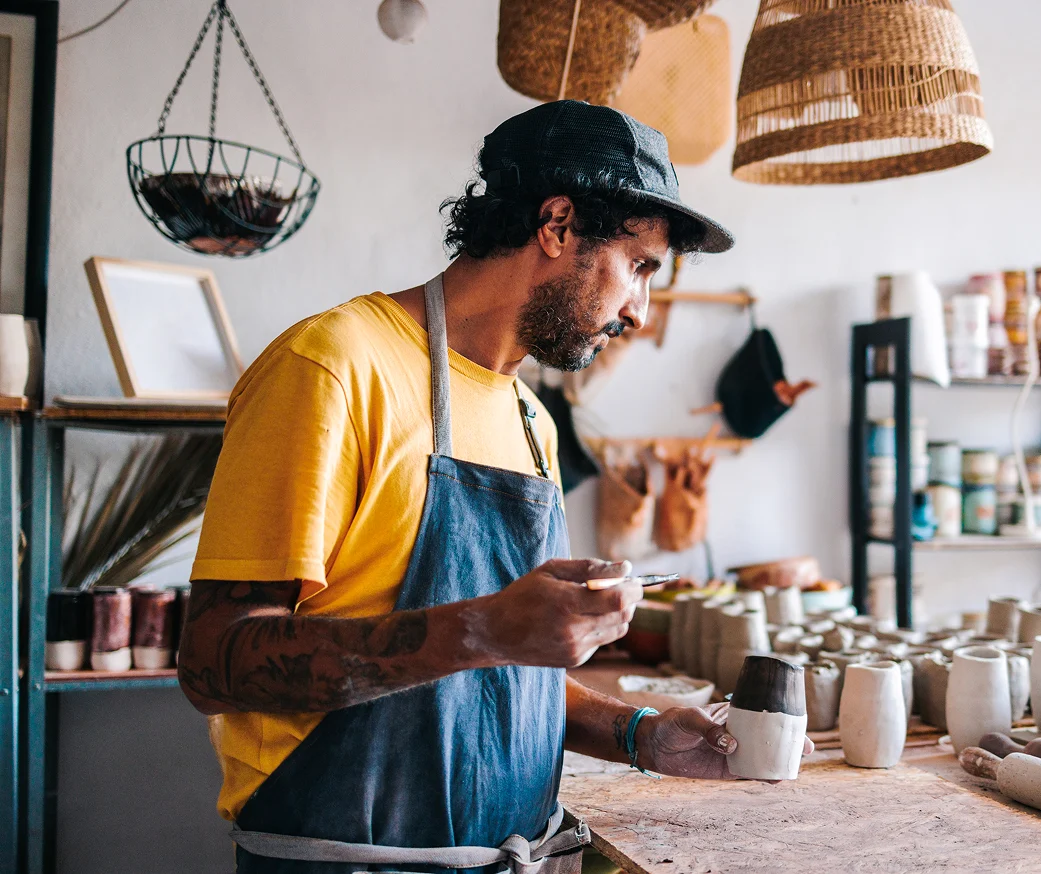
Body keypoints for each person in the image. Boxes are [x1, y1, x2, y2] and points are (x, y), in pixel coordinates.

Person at [179, 101, 805, 874]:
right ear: (557, 224)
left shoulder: (530, 421)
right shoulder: (334, 366)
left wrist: (638, 732)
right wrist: (483, 627)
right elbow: (213, 662)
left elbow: (500, 686)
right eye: (640, 266)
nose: (640, 310)